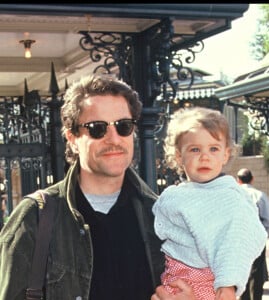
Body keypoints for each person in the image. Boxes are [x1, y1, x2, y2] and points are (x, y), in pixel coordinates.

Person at [0, 75, 196, 300]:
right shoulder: (35, 218)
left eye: (124, 126)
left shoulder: (163, 217)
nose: (113, 139)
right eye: (97, 128)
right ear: (72, 137)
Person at [152, 107, 267, 300]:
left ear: (225, 154)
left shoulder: (231, 197)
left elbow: (239, 240)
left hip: (210, 283)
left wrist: (228, 283)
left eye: (213, 149)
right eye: (195, 149)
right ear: (179, 156)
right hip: (172, 278)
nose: (204, 156)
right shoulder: (173, 195)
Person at [237, 168, 269, 300]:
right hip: (255, 238)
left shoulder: (233, 196)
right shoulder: (260, 196)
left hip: (237, 240)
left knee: (240, 271)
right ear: (252, 179)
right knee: (256, 273)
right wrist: (265, 236)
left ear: (238, 180)